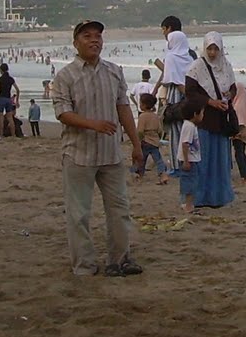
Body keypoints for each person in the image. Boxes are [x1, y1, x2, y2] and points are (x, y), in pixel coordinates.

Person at [52, 20, 143, 277]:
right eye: (87, 36)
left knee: (119, 208)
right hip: (78, 154)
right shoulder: (65, 76)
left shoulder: (114, 71)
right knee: (79, 213)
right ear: (75, 42)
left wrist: (136, 144)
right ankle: (85, 264)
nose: (95, 41)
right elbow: (63, 113)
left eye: (98, 36)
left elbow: (124, 108)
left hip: (110, 153)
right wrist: (93, 125)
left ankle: (120, 259)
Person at [182, 32, 237, 208]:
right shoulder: (196, 67)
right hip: (204, 119)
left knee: (220, 160)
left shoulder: (226, 66)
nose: (213, 53)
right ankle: (200, 198)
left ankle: (218, 197)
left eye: (216, 49)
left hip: (221, 120)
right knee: (203, 158)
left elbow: (233, 87)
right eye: (210, 49)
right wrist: (210, 102)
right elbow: (190, 93)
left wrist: (229, 94)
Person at [133, 95, 170, 184]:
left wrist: (139, 140)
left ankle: (140, 176)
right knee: (158, 159)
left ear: (144, 105)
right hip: (154, 141)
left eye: (141, 103)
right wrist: (158, 138)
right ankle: (163, 174)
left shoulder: (143, 116)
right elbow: (160, 130)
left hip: (145, 141)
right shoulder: (155, 116)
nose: (140, 105)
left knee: (142, 160)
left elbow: (140, 131)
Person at [173, 104, 201, 214]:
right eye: (201, 113)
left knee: (190, 181)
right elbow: (185, 144)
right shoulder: (189, 126)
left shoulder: (189, 125)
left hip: (191, 159)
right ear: (195, 114)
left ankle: (188, 204)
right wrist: (186, 161)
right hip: (189, 160)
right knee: (190, 183)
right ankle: (188, 205)